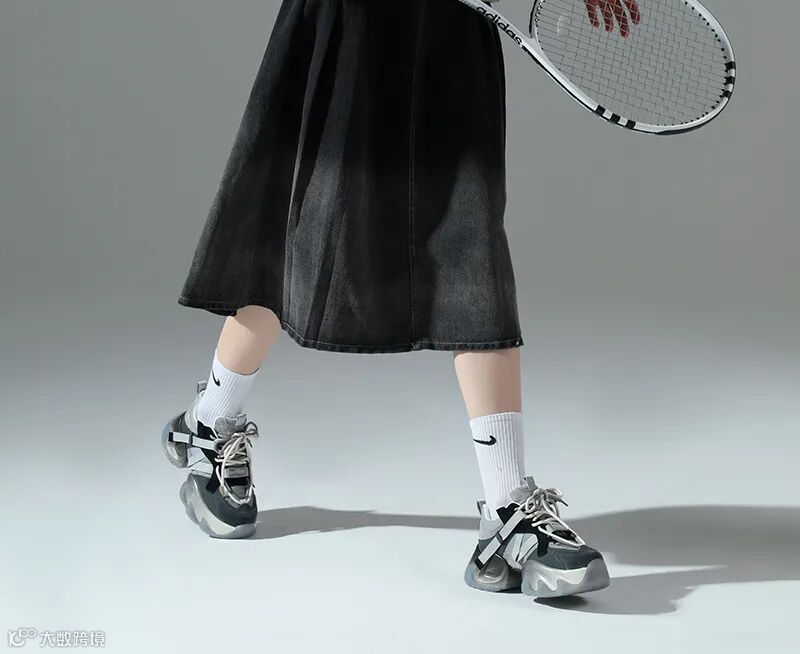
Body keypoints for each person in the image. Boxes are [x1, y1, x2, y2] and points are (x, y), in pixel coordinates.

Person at [161, 0, 630, 599]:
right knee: (294, 232)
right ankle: (209, 422)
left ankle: (507, 513)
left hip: (450, 32)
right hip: (345, 25)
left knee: (472, 244)